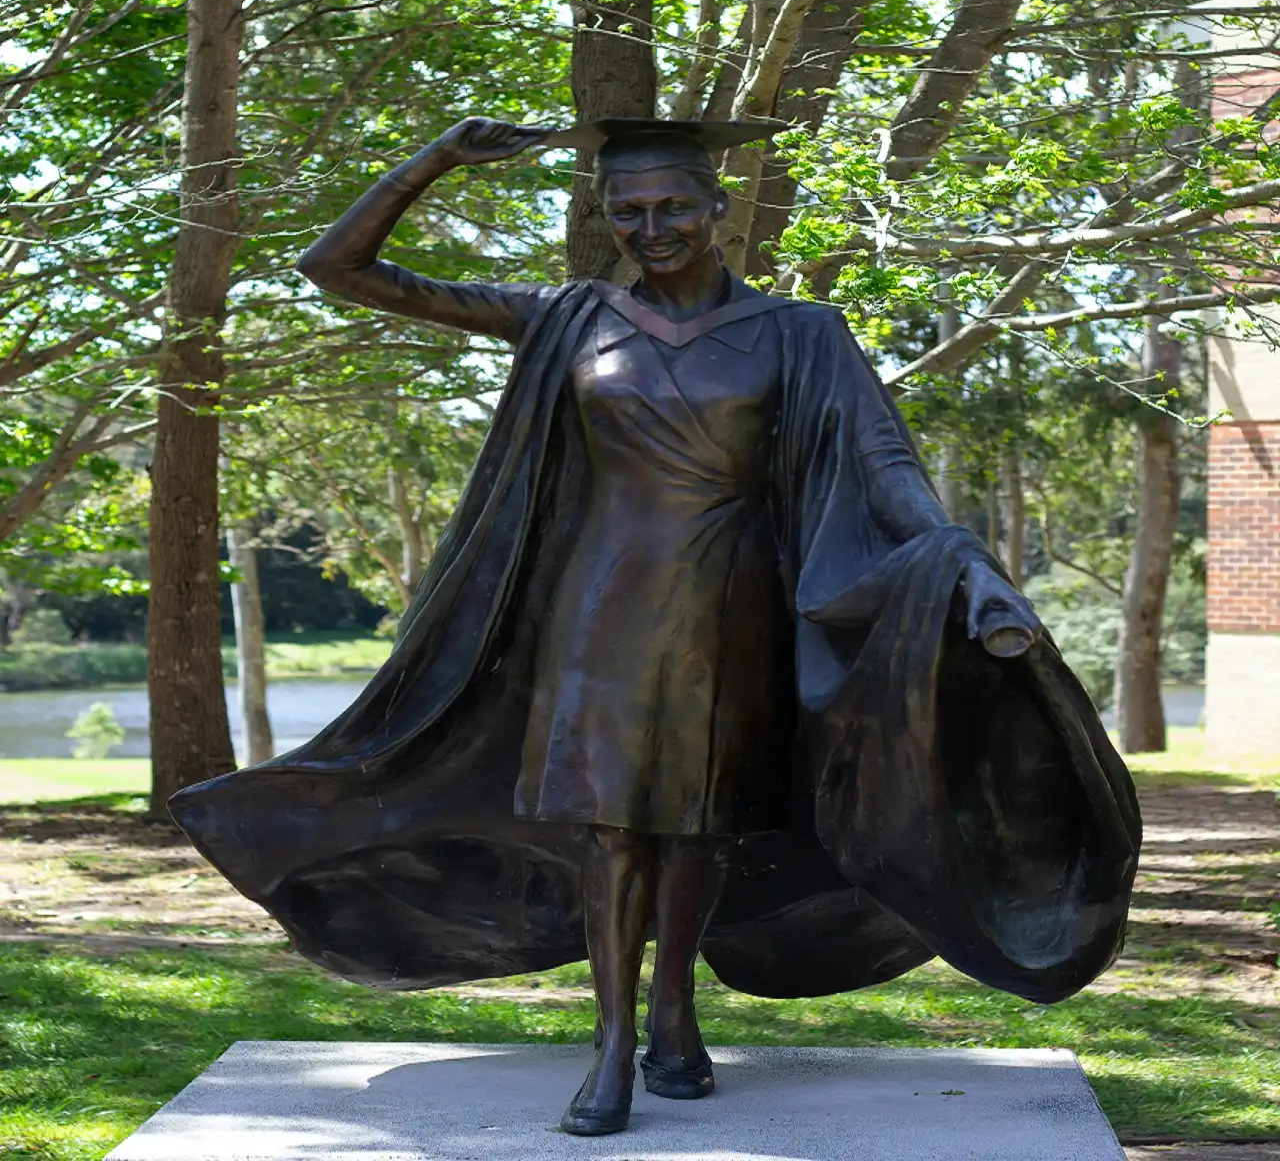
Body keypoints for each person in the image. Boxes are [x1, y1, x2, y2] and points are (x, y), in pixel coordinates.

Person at [171, 117, 1140, 1138]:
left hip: (734, 607)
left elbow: (881, 462)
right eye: (626, 210)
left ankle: (674, 1010)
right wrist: (435, 159)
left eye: (673, 204)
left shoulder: (798, 331)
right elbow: (338, 269)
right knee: (610, 826)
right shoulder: (568, 317)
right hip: (598, 607)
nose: (652, 227)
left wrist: (962, 563)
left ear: (719, 206)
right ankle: (611, 1041)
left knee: (698, 819)